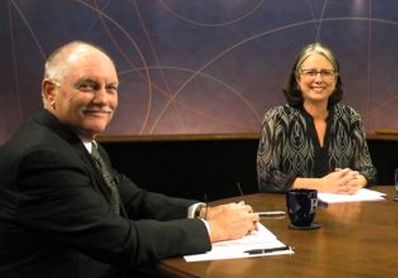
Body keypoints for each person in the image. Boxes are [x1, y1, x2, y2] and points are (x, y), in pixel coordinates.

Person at [0, 41, 260, 277]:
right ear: (50, 91)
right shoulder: (42, 156)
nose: (103, 99)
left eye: (110, 88)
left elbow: (134, 200)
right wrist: (214, 229)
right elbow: (121, 241)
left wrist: (203, 211)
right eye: (87, 86)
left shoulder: (77, 142)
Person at [256, 42, 376, 194]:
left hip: (342, 209)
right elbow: (267, 178)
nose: (319, 79)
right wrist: (321, 185)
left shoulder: (351, 118)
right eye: (311, 72)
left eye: (326, 72)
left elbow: (368, 170)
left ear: (336, 79)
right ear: (298, 79)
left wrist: (354, 181)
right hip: (293, 211)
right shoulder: (277, 119)